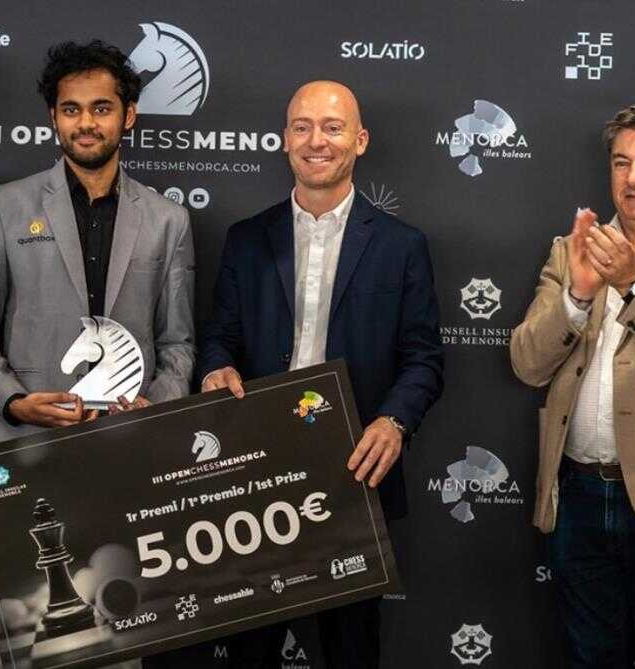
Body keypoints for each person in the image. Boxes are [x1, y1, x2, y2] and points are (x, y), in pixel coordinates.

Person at [195, 81, 444, 668]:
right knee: (250, 650)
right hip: (254, 476)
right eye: (302, 127)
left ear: (360, 140)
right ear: (285, 140)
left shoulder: (402, 246)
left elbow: (424, 358)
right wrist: (215, 370)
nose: (316, 141)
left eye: (333, 127)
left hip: (353, 472)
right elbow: (219, 338)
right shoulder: (246, 239)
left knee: (349, 649)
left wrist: (393, 421)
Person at [509, 100, 635, 668]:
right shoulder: (573, 248)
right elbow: (526, 364)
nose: (634, 178)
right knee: (590, 657)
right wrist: (575, 297)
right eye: (622, 164)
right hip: (577, 496)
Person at [0, 39, 195, 445]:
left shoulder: (169, 220)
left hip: (130, 443)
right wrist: (14, 401)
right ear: (54, 116)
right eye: (71, 109)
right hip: (25, 441)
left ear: (128, 115)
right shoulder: (2, 206)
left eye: (101, 109)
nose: (86, 123)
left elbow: (177, 344)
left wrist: (155, 407)